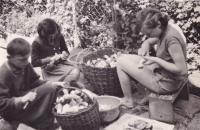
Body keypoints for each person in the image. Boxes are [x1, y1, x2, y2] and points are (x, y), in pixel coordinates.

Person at [117, 8, 188, 108]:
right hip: (164, 73)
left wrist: (156, 59)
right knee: (123, 57)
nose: (147, 36)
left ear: (158, 24)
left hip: (167, 84)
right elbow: (149, 41)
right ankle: (147, 94)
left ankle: (128, 100)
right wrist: (145, 46)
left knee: (120, 62)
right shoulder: (166, 28)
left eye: (149, 33)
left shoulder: (171, 39)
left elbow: (182, 71)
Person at [0, 38, 66, 129]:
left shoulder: (25, 65)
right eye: (22, 59)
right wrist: (21, 99)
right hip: (13, 111)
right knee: (48, 90)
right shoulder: (4, 73)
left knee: (50, 88)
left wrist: (51, 83)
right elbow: (1, 102)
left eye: (27, 58)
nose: (27, 62)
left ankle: (44, 122)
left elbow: (35, 82)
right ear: (9, 58)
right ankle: (36, 122)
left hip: (26, 99)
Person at [31, 18, 85, 88]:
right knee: (76, 73)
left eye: (54, 34)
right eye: (50, 36)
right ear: (43, 34)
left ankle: (63, 86)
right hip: (49, 69)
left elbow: (65, 49)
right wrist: (51, 59)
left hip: (62, 63)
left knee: (81, 76)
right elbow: (34, 62)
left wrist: (64, 54)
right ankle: (64, 86)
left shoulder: (58, 35)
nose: (53, 37)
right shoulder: (36, 43)